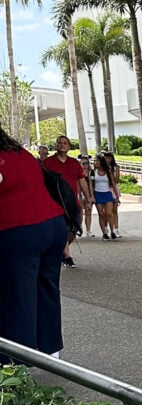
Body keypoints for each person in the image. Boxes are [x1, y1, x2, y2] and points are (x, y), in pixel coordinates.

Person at [0, 124, 68, 363]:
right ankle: (51, 352)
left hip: (19, 230)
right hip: (53, 225)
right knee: (47, 287)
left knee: (17, 295)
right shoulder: (20, 152)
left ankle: (15, 364)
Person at [43, 134, 91, 267]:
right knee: (62, 229)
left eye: (65, 143)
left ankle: (60, 251)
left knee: (74, 229)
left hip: (72, 202)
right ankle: (67, 256)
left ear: (69, 146)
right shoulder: (47, 162)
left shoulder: (74, 163)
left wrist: (88, 198)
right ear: (56, 145)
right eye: (59, 143)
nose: (62, 145)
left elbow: (81, 181)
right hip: (55, 202)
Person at [92, 153, 120, 240]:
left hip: (107, 193)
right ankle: (104, 232)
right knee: (101, 214)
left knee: (109, 213)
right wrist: (91, 196)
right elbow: (90, 185)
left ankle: (112, 231)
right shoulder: (93, 172)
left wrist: (116, 196)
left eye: (98, 160)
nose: (96, 162)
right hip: (97, 194)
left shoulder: (108, 171)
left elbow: (113, 184)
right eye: (95, 161)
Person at [102, 151, 122, 236]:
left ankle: (116, 228)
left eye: (109, 158)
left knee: (114, 210)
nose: (107, 160)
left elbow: (116, 180)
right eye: (105, 158)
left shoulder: (115, 167)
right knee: (106, 212)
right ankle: (106, 228)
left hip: (114, 189)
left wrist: (111, 173)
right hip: (105, 189)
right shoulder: (101, 168)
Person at [78, 154, 94, 236]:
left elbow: (91, 185)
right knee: (80, 212)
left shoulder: (91, 173)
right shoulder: (78, 173)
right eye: (83, 163)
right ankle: (79, 229)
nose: (85, 165)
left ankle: (88, 230)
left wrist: (91, 196)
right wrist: (80, 196)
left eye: (86, 163)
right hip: (80, 194)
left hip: (89, 194)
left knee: (88, 212)